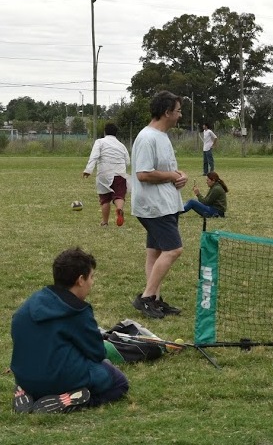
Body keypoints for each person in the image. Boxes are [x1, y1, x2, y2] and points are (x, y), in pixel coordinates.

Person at [11, 248, 129, 413]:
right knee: (118, 381)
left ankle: (29, 393)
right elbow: (97, 353)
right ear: (80, 280)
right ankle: (69, 400)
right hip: (58, 379)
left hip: (24, 377)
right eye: (91, 277)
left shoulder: (32, 302)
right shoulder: (77, 311)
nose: (92, 283)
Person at [130, 90, 188, 319]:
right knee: (173, 250)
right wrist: (172, 176)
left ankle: (154, 299)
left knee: (154, 252)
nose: (180, 115)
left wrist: (179, 175)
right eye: (178, 111)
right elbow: (143, 174)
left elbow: (165, 169)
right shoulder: (147, 138)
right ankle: (146, 298)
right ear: (167, 112)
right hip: (154, 206)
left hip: (166, 203)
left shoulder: (162, 136)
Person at [82, 123, 130, 227]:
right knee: (119, 195)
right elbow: (128, 161)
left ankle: (105, 222)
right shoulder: (121, 145)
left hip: (104, 173)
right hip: (120, 174)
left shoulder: (100, 142)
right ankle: (119, 209)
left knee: (105, 199)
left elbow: (94, 156)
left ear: (105, 132)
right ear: (116, 133)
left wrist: (88, 170)